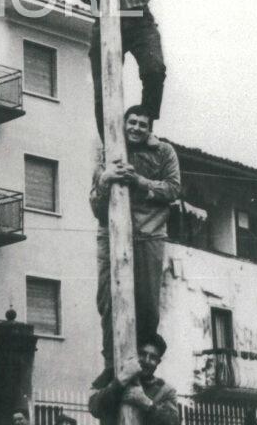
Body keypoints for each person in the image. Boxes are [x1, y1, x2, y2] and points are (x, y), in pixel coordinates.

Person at [90, 107, 180, 373]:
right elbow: (96, 206)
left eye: (142, 124)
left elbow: (173, 189)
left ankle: (141, 365)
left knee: (147, 305)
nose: (136, 128)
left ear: (149, 129)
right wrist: (106, 179)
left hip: (149, 232)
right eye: (132, 122)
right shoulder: (109, 151)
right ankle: (111, 364)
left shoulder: (164, 151)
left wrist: (140, 181)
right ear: (124, 123)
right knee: (107, 299)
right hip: (111, 233)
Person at [76, 0, 166, 137]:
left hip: (138, 18)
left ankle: (144, 129)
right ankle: (109, 140)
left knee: (154, 70)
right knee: (103, 87)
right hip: (105, 22)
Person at [89, 334, 179, 425]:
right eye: (142, 354)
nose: (146, 360)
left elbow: (173, 422)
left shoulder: (166, 391)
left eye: (153, 357)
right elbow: (94, 408)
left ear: (158, 362)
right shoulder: (111, 378)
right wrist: (122, 380)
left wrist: (146, 403)